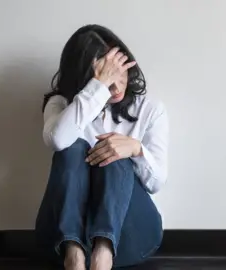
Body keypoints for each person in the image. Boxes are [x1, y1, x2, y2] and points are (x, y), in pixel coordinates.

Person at [35, 24, 168, 270]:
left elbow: (156, 182)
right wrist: (96, 89)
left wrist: (135, 149)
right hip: (61, 240)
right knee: (73, 147)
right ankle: (74, 255)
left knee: (115, 152)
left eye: (119, 72)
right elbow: (57, 140)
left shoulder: (149, 110)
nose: (116, 87)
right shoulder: (61, 105)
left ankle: (103, 254)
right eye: (107, 77)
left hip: (131, 236)